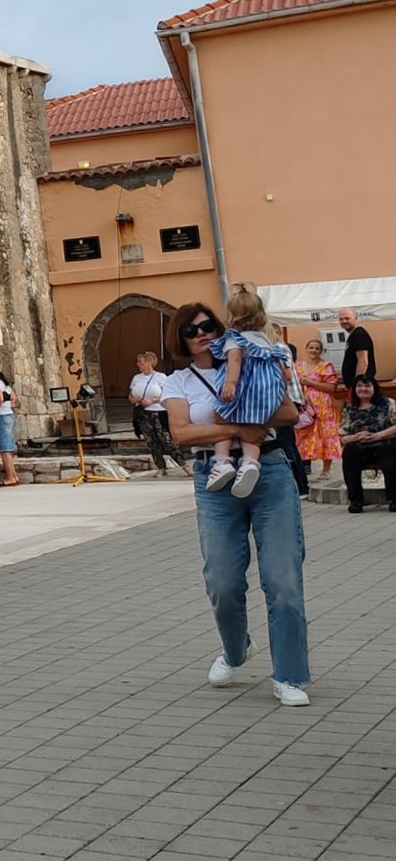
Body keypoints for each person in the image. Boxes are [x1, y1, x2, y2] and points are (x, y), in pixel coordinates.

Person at [163, 301, 309, 706]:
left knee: (283, 580)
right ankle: (236, 649)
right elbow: (182, 433)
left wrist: (225, 423)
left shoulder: (251, 355)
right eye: (192, 331)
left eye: (208, 325)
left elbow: (287, 413)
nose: (202, 334)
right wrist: (241, 425)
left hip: (271, 470)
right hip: (213, 478)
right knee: (223, 582)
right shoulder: (178, 382)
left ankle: (290, 675)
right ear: (181, 339)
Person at [203, 287, 289, 497]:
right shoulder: (265, 339)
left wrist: (231, 384)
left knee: (221, 417)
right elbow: (280, 369)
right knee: (253, 426)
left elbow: (235, 361)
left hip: (244, 390)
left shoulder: (235, 338)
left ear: (232, 316)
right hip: (266, 393)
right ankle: (250, 463)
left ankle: (223, 461)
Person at [338, 374, 396, 513]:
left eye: (367, 386)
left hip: (385, 443)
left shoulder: (388, 403)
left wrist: (377, 436)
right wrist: (357, 437)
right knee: (349, 452)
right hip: (361, 446)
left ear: (374, 388)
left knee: (390, 451)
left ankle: (394, 499)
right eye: (360, 386)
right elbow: (343, 438)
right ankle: (356, 501)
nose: (363, 389)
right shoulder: (349, 409)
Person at [295, 339, 343, 485]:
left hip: (324, 406)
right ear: (306, 349)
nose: (314, 350)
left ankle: (326, 470)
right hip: (304, 407)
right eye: (311, 348)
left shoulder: (325, 366)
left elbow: (331, 387)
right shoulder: (297, 366)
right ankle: (302, 469)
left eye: (317, 348)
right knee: (302, 436)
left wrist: (310, 383)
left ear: (321, 351)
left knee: (326, 436)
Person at [129, 352, 181, 476]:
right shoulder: (136, 378)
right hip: (143, 413)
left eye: (141, 361)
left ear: (149, 362)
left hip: (157, 411)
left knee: (166, 440)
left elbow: (166, 393)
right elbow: (130, 395)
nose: (138, 364)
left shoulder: (161, 377)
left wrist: (152, 400)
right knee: (152, 442)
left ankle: (183, 464)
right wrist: (135, 400)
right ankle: (161, 467)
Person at [339, 308, 376, 385]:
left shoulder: (359, 334)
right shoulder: (353, 335)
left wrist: (357, 384)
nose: (344, 321)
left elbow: (363, 361)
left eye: (347, 318)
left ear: (356, 318)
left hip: (361, 384)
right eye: (341, 319)